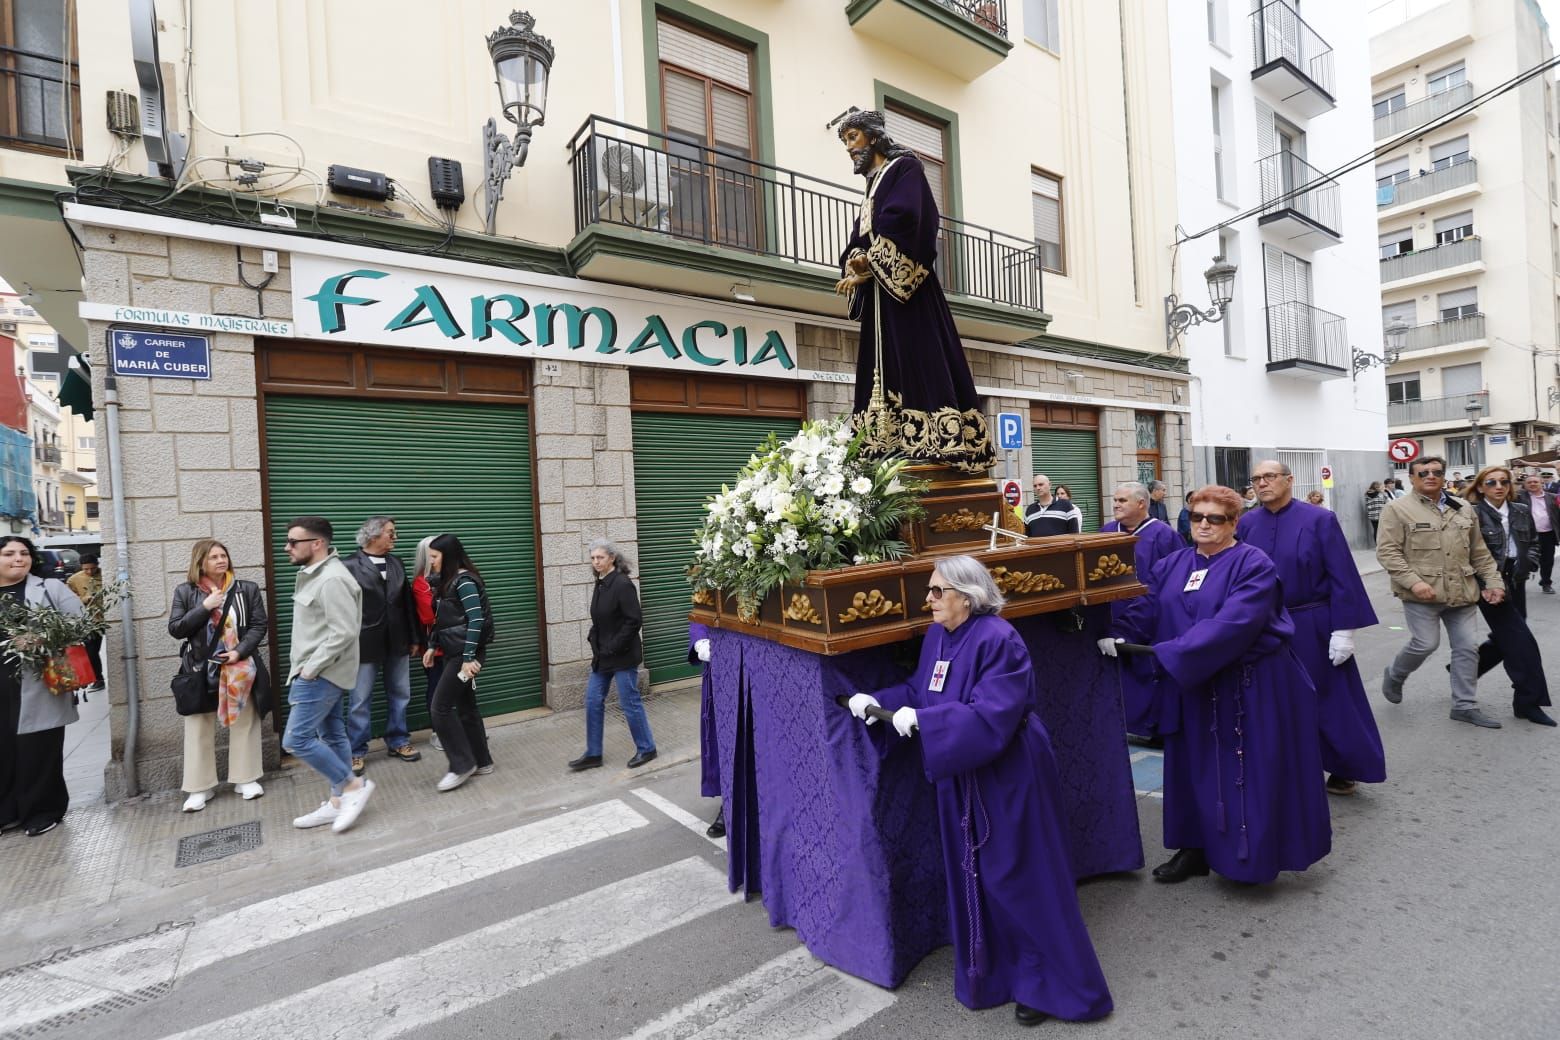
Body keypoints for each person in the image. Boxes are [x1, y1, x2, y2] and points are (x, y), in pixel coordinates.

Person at [847, 554, 1112, 1026]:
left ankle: (1049, 983)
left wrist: (927, 721)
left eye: (936, 592)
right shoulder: (937, 636)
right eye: (928, 591)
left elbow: (996, 713)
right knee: (980, 874)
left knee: (1021, 876)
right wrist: (881, 703)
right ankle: (997, 972)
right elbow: (921, 691)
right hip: (964, 773)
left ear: (967, 598)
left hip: (1009, 772)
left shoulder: (999, 638)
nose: (927, 601)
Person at [1102, 485, 1331, 885]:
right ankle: (1193, 849)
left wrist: (1169, 652)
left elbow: (1235, 623)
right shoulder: (1173, 563)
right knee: (1189, 766)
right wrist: (1120, 632)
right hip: (1190, 682)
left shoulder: (1253, 564)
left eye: (1215, 519)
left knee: (1242, 767)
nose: (1204, 525)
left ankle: (1248, 858)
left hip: (1247, 685)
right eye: (1197, 517)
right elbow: (1148, 604)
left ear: (1234, 522)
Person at [831, 107, 995, 474]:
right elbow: (859, 238)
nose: (848, 147)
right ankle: (885, 442)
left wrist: (871, 261)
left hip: (909, 292)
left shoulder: (905, 168)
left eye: (852, 137)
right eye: (844, 140)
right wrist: (858, 263)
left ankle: (935, 442)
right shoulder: (871, 186)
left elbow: (910, 219)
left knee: (918, 355)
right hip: (880, 297)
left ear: (873, 136)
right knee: (881, 364)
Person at [1238, 461, 1385, 798]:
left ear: (1290, 480)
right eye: (1257, 479)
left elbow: (1342, 575)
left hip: (1312, 622)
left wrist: (1344, 630)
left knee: (1331, 699)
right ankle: (1285, 767)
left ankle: (1347, 766)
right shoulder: (1246, 524)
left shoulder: (1320, 520)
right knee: (1270, 699)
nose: (1262, 483)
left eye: (1270, 477)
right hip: (1263, 624)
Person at [1376, 457, 1506, 729]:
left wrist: (1494, 582)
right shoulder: (1397, 509)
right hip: (1422, 594)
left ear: (1444, 476)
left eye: (1437, 472)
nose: (1431, 476)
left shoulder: (1463, 509)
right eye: (1423, 473)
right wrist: (1413, 582)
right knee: (1425, 644)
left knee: (1468, 648)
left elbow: (1479, 551)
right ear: (1412, 478)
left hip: (1462, 591)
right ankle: (1396, 674)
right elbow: (1388, 552)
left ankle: (1464, 705)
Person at [282, 516, 375, 833]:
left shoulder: (332, 579)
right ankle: (337, 802)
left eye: (294, 541)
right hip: (318, 672)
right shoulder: (315, 575)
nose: (287, 547)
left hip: (320, 675)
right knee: (333, 735)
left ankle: (351, 786)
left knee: (296, 739)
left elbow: (344, 632)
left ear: (316, 543)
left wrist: (310, 668)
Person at [169, 539, 271, 813]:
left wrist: (239, 651)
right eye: (213, 557)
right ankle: (200, 787)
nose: (220, 560)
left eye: (223, 555)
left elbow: (260, 625)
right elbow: (176, 628)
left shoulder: (246, 589)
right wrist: (205, 607)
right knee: (199, 727)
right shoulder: (185, 592)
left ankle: (246, 778)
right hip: (200, 668)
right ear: (200, 562)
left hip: (239, 666)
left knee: (245, 721)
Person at [0, 536, 85, 836]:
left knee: (39, 748)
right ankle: (7, 811)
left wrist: (41, 639)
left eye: (24, 553)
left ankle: (43, 810)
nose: (18, 559)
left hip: (39, 681)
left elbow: (80, 623)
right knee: (5, 748)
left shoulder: (50, 588)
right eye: (9, 553)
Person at [1465, 466, 1553, 726]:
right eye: (1491, 482)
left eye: (1504, 481)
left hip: (1516, 579)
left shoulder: (1521, 511)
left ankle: (1464, 671)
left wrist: (1530, 564)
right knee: (1521, 642)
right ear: (1481, 487)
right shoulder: (1472, 514)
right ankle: (1527, 702)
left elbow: (1534, 543)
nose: (1498, 486)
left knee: (1511, 635)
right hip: (1491, 583)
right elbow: (1466, 553)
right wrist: (1485, 584)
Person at [1100, 482, 1183, 746]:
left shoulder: (1164, 535)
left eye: (1122, 500)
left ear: (1141, 504)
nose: (1116, 504)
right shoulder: (1106, 532)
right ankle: (1122, 723)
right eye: (1115, 500)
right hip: (1113, 614)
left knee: (1148, 671)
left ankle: (1154, 727)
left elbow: (1177, 575)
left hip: (1150, 615)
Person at [342, 515, 420, 775]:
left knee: (401, 693)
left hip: (397, 640)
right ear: (373, 535)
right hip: (364, 644)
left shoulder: (396, 563)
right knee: (359, 699)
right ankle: (356, 751)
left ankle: (398, 740)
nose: (394, 537)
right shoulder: (349, 565)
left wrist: (414, 638)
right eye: (390, 533)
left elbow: (407, 603)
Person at [570, 539, 657, 771]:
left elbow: (633, 620)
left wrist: (614, 646)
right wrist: (593, 637)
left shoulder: (622, 584)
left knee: (629, 702)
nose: (596, 562)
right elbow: (600, 619)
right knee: (592, 700)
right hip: (603, 656)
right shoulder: (601, 583)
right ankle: (593, 753)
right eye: (592, 558)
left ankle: (647, 748)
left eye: (600, 557)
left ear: (612, 558)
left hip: (622, 655)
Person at [422, 534, 496, 790]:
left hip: (465, 658)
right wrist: (432, 646)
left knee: (439, 708)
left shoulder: (463, 582)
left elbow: (475, 621)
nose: (431, 562)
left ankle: (462, 764)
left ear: (448, 556)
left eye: (434, 557)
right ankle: (482, 761)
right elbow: (445, 620)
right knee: (465, 706)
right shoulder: (447, 582)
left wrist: (467, 659)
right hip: (457, 654)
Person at [410, 535, 444, 751]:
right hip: (436, 648)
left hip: (455, 644)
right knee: (437, 687)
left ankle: (462, 729)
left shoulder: (451, 577)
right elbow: (429, 617)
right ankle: (438, 732)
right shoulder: (421, 583)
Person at [689, 621, 723, 837]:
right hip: (721, 670)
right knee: (724, 742)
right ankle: (729, 804)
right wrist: (699, 641)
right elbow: (702, 604)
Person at [1517, 472, 1559, 594]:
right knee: (1524, 559)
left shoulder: (1553, 497)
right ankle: (1519, 582)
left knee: (1547, 560)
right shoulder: (1520, 496)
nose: (1533, 484)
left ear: (1542, 483)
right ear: (1524, 485)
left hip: (1548, 534)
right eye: (1529, 482)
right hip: (1527, 535)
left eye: (1535, 482)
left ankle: (1546, 583)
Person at [66, 554, 103, 692]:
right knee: (91, 651)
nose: (89, 572)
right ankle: (98, 679)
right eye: (86, 569)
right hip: (90, 620)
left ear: (97, 565)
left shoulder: (106, 575)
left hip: (105, 618)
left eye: (92, 568)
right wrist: (83, 599)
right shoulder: (74, 579)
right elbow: (68, 599)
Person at [1023, 473, 1082, 537]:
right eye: (1035, 486)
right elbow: (1028, 537)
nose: (1038, 488)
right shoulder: (1030, 510)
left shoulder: (1066, 505)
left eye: (1041, 484)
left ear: (1050, 485)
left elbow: (1075, 534)